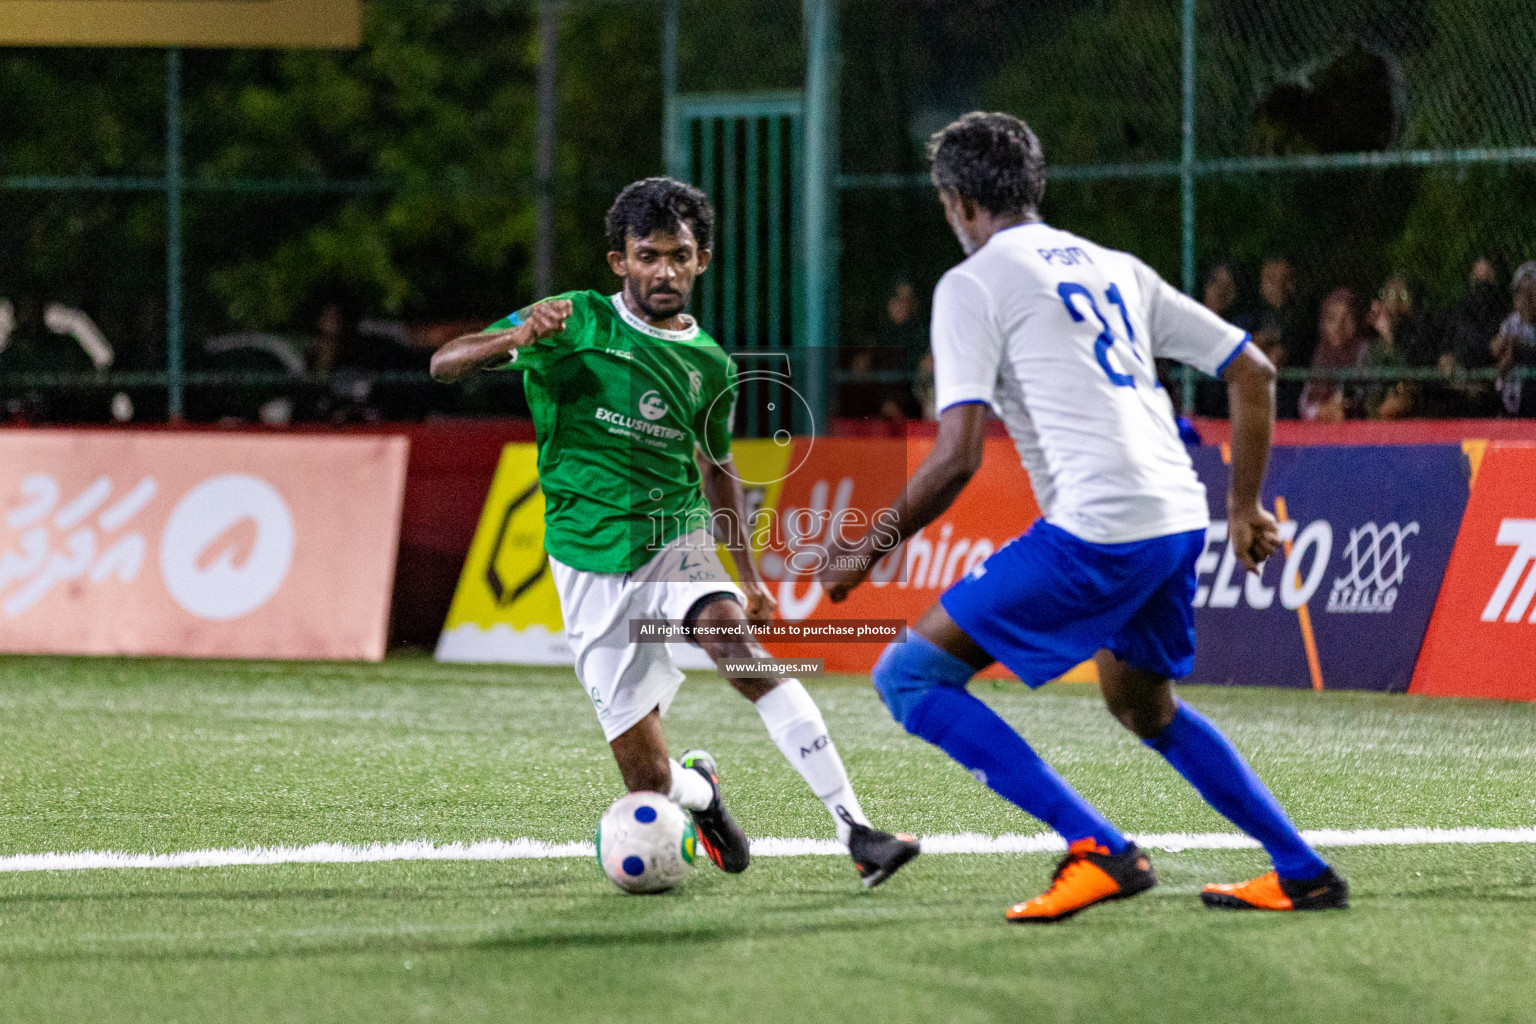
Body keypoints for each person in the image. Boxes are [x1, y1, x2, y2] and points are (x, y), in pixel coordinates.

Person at [818, 112, 1346, 922]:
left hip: (1102, 526)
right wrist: (1241, 507)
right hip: (1175, 519)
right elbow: (1255, 371)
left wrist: (863, 552)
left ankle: (1098, 848)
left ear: (958, 202)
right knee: (1143, 704)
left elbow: (956, 453)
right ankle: (1302, 869)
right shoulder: (1116, 268)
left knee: (911, 676)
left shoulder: (972, 282)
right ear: (1035, 186)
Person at [430, 177, 919, 886]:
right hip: (587, 560)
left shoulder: (710, 364)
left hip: (672, 537)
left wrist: (748, 580)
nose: (664, 270)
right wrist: (517, 335)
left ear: (703, 260)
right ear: (618, 262)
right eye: (648, 255)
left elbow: (718, 468)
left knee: (736, 646)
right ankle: (704, 795)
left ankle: (857, 830)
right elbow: (444, 365)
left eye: (678, 256)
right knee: (650, 780)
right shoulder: (573, 322)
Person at [1438, 257, 1504, 417]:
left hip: (1488, 391)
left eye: (1486, 278)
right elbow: (1445, 358)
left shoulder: (1501, 312)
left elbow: (1498, 352)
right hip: (1460, 388)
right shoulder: (1461, 312)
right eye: (1477, 278)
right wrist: (1463, 383)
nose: (1480, 285)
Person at [1249, 257, 1311, 419]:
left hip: (1288, 403)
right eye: (1271, 279)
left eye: (1285, 280)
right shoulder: (1252, 315)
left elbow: (1275, 359)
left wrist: (1268, 340)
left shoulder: (1302, 317)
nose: (1278, 286)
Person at [1299, 288, 1371, 422]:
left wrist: (1344, 405)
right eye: (1331, 318)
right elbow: (1305, 403)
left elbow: (1366, 397)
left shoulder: (1367, 351)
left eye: (1347, 318)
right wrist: (1321, 410)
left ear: (1358, 320)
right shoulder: (1322, 354)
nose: (1338, 326)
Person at [1492, 261, 1536, 417]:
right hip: (1512, 391)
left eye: (1529, 293)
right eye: (1520, 293)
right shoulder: (1513, 321)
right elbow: (1496, 350)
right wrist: (1509, 342)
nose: (1524, 299)